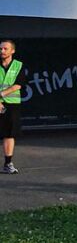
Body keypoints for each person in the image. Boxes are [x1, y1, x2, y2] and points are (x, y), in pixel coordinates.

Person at [0, 40, 24, 174]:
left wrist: (1, 95)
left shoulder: (18, 65)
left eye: (5, 49)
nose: (2, 51)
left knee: (9, 134)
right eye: (1, 49)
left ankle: (8, 163)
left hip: (12, 104)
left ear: (12, 51)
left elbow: (18, 85)